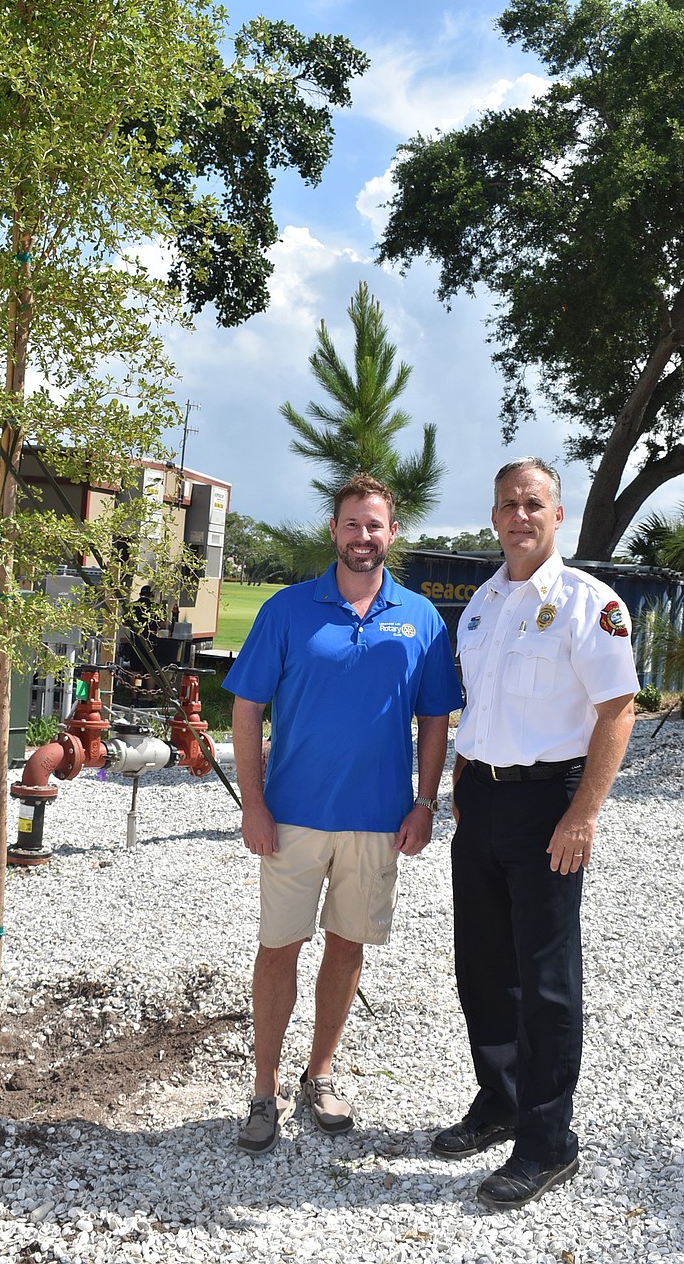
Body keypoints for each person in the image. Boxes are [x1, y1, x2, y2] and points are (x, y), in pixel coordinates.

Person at [223, 473, 463, 1155]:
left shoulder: (419, 619)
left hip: (379, 821)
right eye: (352, 525)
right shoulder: (289, 610)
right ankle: (263, 1091)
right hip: (292, 817)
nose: (364, 537)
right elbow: (246, 710)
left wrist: (424, 802)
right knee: (278, 952)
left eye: (375, 526)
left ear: (393, 534)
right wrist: (255, 804)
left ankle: (319, 1074)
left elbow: (435, 718)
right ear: (334, 531)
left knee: (348, 947)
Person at [432, 456, 639, 1208]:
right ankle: (503, 1100)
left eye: (534, 503)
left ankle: (550, 1141)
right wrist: (461, 774)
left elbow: (618, 711)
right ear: (493, 517)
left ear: (558, 517)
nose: (519, 515)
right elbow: (478, 706)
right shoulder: (483, 602)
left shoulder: (590, 604)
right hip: (482, 803)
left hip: (549, 805)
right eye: (507, 504)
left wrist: (583, 813)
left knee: (547, 980)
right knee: (483, 966)